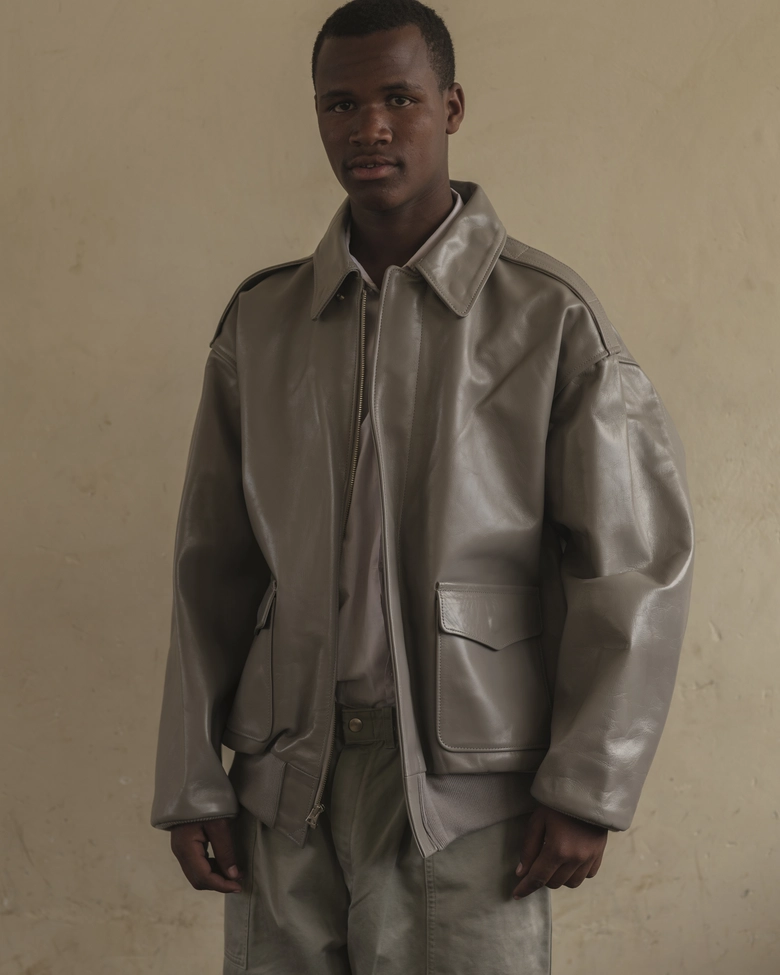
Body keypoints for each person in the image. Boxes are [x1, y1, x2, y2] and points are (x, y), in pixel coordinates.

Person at [150, 1, 695, 972]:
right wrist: (193, 778)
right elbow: (211, 571)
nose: (370, 127)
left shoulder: (549, 318)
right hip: (286, 782)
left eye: (399, 98)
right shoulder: (262, 324)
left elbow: (633, 566)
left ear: (451, 107)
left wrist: (588, 783)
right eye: (341, 104)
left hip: (470, 798)